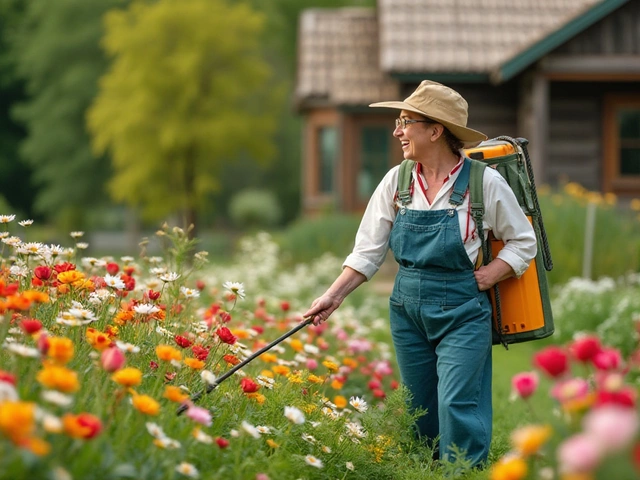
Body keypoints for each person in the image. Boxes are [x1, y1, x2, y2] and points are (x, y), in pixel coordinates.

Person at [303, 80, 537, 467]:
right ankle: (425, 471)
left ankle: (462, 474)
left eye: (405, 122)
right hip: (407, 310)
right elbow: (368, 250)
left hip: (463, 310)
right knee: (420, 407)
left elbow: (523, 241)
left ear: (435, 130)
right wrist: (334, 295)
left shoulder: (483, 183)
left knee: (457, 402)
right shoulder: (397, 181)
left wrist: (489, 275)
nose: (397, 131)